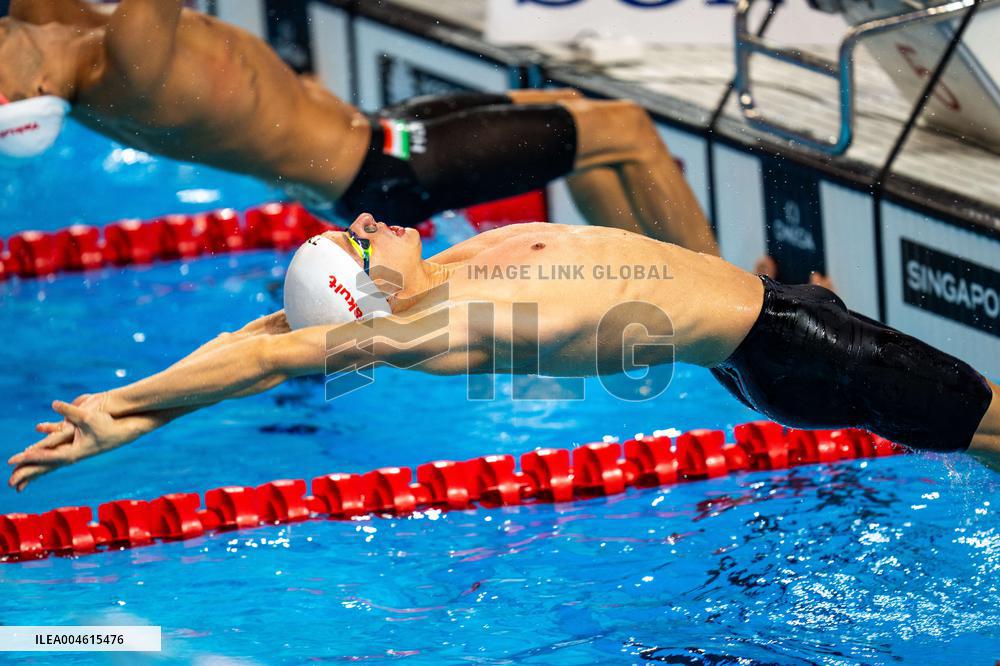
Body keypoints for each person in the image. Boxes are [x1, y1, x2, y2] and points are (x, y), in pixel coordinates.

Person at [7, 213, 999, 490]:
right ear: (369, 292)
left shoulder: (439, 272)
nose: (366, 219)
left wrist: (137, 404)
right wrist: (116, 415)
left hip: (757, 335)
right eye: (357, 242)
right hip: (797, 350)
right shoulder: (458, 321)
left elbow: (262, 336)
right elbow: (273, 361)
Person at [0, 0, 717, 253]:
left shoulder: (40, 21)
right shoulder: (126, 59)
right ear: (34, 91)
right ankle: (739, 325)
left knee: (595, 142)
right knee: (624, 128)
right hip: (386, 170)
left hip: (379, 137)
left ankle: (661, 298)